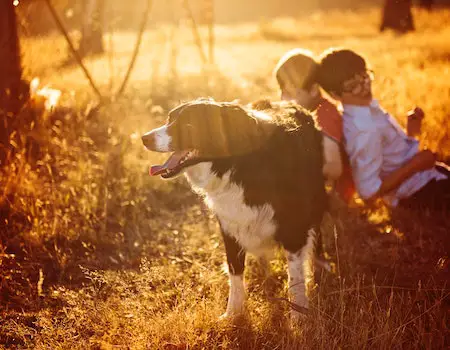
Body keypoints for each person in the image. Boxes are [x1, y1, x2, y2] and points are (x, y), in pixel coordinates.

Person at [316, 48, 449, 212]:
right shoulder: (363, 130)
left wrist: (412, 132)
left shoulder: (366, 107)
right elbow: (369, 192)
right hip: (420, 193)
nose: (365, 87)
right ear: (335, 94)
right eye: (353, 86)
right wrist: (416, 165)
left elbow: (394, 157)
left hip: (429, 176)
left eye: (365, 77)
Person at [273, 48, 355, 202]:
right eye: (281, 92)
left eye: (291, 94)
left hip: (336, 194)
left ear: (313, 90)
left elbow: (335, 168)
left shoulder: (324, 115)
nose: (283, 99)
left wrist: (299, 170)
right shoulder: (306, 112)